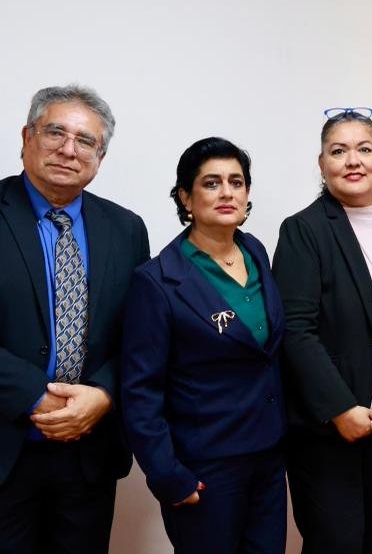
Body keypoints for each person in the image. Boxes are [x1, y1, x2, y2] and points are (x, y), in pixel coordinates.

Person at [0, 84, 150, 553]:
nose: (68, 149)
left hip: (86, 451)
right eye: (55, 132)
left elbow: (140, 333)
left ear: (100, 157)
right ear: (27, 137)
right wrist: (36, 396)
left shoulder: (126, 228)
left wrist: (104, 394)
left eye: (85, 141)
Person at [121, 137, 286, 554]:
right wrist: (165, 473)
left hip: (267, 457)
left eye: (236, 182)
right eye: (211, 183)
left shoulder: (254, 251)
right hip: (205, 467)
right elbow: (140, 390)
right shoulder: (157, 281)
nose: (227, 192)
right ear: (185, 197)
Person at [273, 108, 372, 553]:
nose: (353, 160)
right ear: (322, 164)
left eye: (364, 149)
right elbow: (295, 331)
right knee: (335, 542)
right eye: (338, 151)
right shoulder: (304, 230)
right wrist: (340, 408)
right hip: (330, 422)